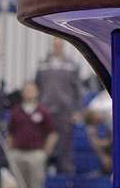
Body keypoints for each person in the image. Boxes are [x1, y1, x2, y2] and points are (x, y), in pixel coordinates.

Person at [34, 39, 81, 174]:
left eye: (60, 45)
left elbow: (78, 90)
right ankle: (44, 167)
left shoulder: (71, 65)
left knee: (65, 141)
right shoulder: (43, 64)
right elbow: (37, 86)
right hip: (45, 109)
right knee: (44, 139)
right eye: (55, 44)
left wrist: (77, 111)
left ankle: (65, 169)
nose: (57, 47)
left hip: (65, 110)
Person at [7, 82, 57, 188]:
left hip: (36, 153)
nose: (29, 92)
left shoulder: (43, 111)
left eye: (32, 90)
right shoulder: (16, 111)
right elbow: (10, 133)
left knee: (36, 184)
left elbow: (52, 133)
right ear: (22, 93)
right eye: (27, 90)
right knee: (16, 184)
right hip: (18, 153)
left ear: (37, 92)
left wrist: (45, 153)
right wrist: (10, 151)